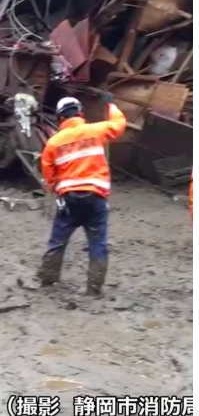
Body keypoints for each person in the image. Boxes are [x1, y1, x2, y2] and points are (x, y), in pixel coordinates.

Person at [37, 95, 126, 297]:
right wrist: (111, 104)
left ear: (60, 118)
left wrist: (54, 188)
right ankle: (94, 287)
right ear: (79, 112)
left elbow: (48, 173)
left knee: (58, 239)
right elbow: (119, 124)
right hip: (96, 197)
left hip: (69, 199)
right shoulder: (96, 131)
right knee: (98, 242)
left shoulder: (53, 143)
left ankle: (48, 278)